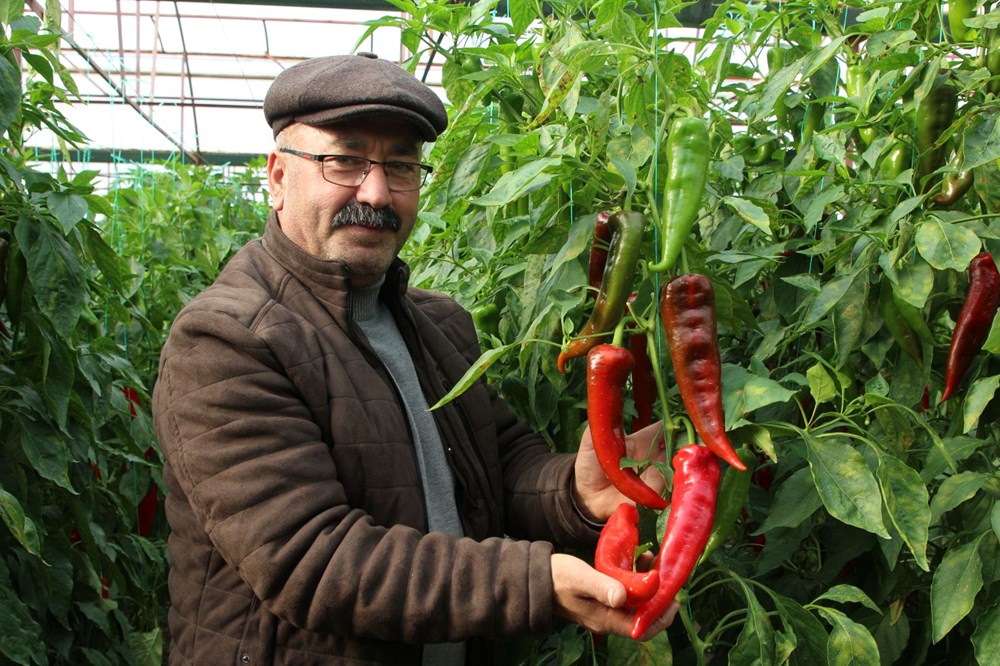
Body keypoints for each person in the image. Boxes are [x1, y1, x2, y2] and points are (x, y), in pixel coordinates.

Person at [151, 52, 677, 665]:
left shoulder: (438, 324)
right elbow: (313, 559)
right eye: (343, 160)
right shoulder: (226, 338)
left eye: (400, 167)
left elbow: (501, 466)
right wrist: (538, 581)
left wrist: (576, 493)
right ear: (276, 175)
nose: (375, 192)